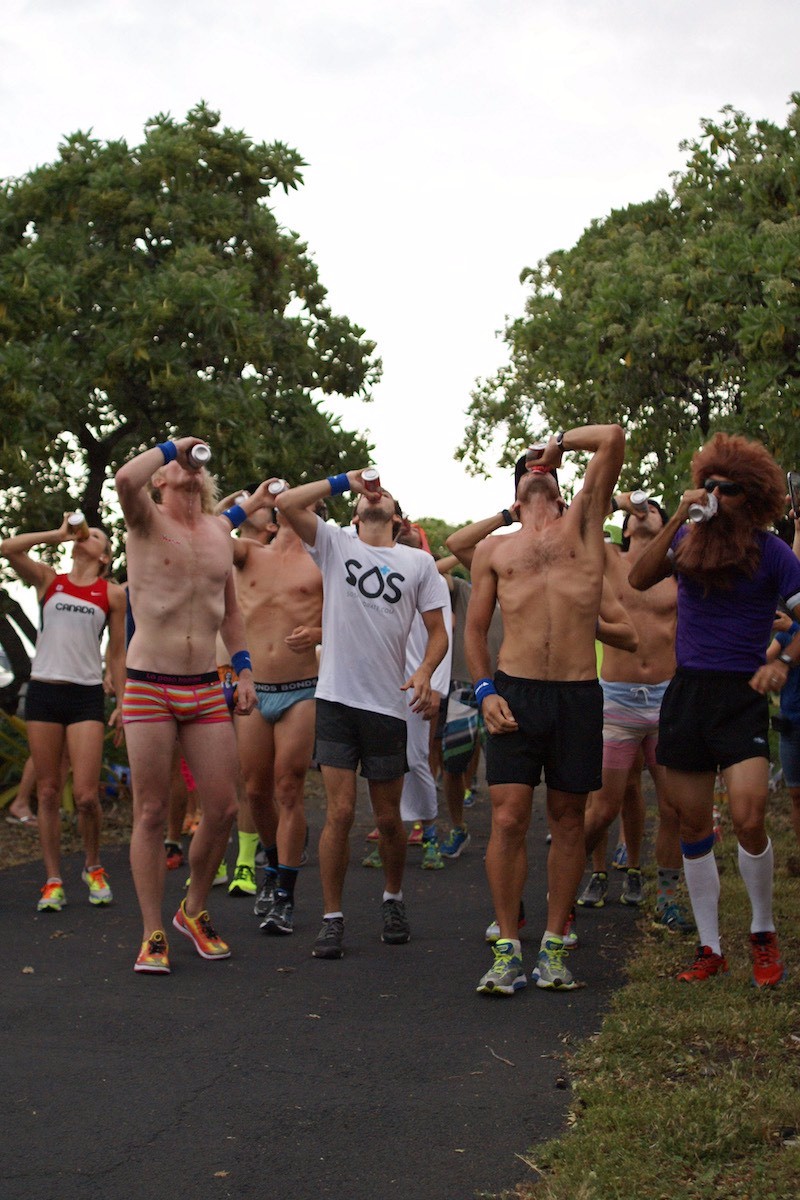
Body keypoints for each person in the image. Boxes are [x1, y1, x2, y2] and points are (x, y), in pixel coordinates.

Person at [629, 432, 800, 986]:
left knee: (750, 816)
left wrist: (784, 662)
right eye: (708, 485)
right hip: (688, 694)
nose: (713, 494)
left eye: (724, 489)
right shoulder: (689, 545)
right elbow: (637, 577)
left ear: (751, 497)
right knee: (691, 824)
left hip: (741, 695)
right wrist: (680, 512)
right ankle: (709, 947)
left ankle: (762, 931)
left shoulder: (774, 553)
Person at [465, 424, 625, 995]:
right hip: (515, 693)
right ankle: (508, 948)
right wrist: (485, 693)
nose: (537, 469)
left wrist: (558, 442)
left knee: (566, 822)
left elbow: (611, 437)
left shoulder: (583, 526)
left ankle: (555, 949)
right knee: (507, 817)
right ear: (514, 495)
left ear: (559, 488)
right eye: (527, 466)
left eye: (546, 468)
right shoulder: (493, 550)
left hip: (578, 696)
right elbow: (476, 631)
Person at [276, 469, 448, 959]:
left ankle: (393, 898)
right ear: (355, 514)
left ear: (397, 517)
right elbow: (287, 503)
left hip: (387, 705)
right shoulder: (334, 545)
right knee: (341, 812)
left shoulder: (418, 564)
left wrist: (426, 673)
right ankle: (333, 918)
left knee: (390, 818)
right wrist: (344, 480)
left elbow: (438, 633)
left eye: (386, 495)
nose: (377, 497)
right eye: (369, 496)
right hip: (335, 699)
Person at [115, 436, 256, 974]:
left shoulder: (221, 532)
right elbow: (125, 479)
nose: (188, 467)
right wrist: (172, 444)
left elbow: (231, 613)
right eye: (174, 464)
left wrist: (242, 669)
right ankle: (153, 931)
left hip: (203, 686)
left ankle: (193, 909)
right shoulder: (145, 519)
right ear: (161, 476)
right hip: (149, 681)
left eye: (193, 462)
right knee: (151, 811)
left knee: (222, 809)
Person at [577, 493, 694, 934]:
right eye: (634, 515)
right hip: (617, 701)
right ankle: (567, 884)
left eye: (654, 510)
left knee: (673, 807)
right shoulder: (607, 559)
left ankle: (666, 898)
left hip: (668, 700)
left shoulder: (680, 567)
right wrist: (624, 500)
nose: (644, 515)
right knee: (603, 807)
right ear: (624, 526)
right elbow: (587, 511)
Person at [1, 514, 126, 911]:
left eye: (96, 537)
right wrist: (57, 534)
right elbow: (7, 548)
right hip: (43, 693)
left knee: (87, 796)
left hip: (86, 695)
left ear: (104, 556)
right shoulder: (49, 580)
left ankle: (93, 866)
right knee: (49, 792)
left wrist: (123, 701)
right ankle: (53, 879)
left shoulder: (112, 594)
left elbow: (118, 652)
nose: (86, 538)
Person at [230, 483, 324, 934]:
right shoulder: (248, 553)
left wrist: (319, 633)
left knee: (288, 788)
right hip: (253, 689)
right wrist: (245, 503)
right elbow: (208, 536)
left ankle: (284, 893)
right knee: (254, 791)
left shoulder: (323, 561)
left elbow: (347, 619)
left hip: (302, 686)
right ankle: (271, 861)